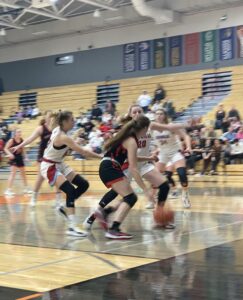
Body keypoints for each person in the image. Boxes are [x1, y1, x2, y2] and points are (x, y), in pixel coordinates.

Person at [83, 105, 188, 231]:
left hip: (143, 164)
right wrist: (146, 190)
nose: (137, 113)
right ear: (130, 114)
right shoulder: (127, 131)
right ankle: (95, 215)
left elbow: (169, 127)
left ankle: (160, 217)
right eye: (134, 111)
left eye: (140, 111)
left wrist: (185, 125)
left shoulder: (149, 125)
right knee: (118, 193)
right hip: (128, 165)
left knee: (164, 185)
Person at [40, 111, 102, 237]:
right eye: (71, 120)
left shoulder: (59, 130)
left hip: (58, 163)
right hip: (49, 166)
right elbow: (84, 152)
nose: (74, 122)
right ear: (64, 122)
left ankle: (64, 207)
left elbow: (63, 146)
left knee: (83, 184)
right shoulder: (63, 137)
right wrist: (101, 156)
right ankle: (72, 227)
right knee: (69, 190)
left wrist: (74, 139)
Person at [11, 111, 62, 207]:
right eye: (48, 116)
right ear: (45, 118)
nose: (50, 118)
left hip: (54, 157)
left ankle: (58, 200)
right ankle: (34, 197)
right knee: (41, 177)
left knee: (57, 177)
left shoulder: (57, 129)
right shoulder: (41, 129)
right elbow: (30, 139)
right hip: (42, 158)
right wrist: (19, 146)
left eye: (52, 117)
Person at [153, 109, 191, 208]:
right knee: (154, 177)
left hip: (175, 152)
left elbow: (185, 136)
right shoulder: (152, 128)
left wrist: (188, 147)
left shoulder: (171, 126)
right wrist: (156, 150)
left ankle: (185, 195)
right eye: (157, 114)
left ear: (165, 116)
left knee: (182, 174)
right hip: (163, 153)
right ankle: (153, 198)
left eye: (161, 114)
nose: (159, 116)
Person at [4, 129, 32, 196]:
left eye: (20, 131)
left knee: (23, 174)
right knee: (13, 173)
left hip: (20, 158)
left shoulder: (22, 140)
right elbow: (5, 148)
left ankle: (26, 188)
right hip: (13, 158)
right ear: (15, 133)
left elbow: (23, 150)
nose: (20, 133)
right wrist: (10, 154)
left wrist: (26, 157)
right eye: (18, 132)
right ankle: (8, 190)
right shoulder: (12, 140)